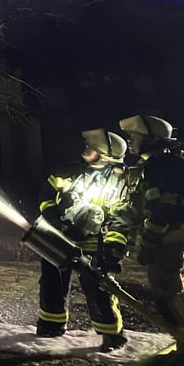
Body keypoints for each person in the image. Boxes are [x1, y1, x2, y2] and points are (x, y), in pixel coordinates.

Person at [35, 128, 130, 352]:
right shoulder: (69, 170)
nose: (86, 149)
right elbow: (46, 196)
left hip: (95, 242)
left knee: (99, 288)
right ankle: (51, 325)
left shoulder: (118, 182)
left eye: (91, 148)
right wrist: (54, 219)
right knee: (51, 282)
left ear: (105, 155)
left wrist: (114, 245)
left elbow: (121, 216)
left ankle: (112, 335)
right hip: (59, 236)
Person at [109, 114, 184, 351]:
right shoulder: (166, 164)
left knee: (169, 293)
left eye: (134, 136)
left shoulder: (159, 166)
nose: (129, 141)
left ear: (151, 140)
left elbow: (163, 210)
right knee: (173, 291)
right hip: (173, 240)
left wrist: (149, 244)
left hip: (168, 242)